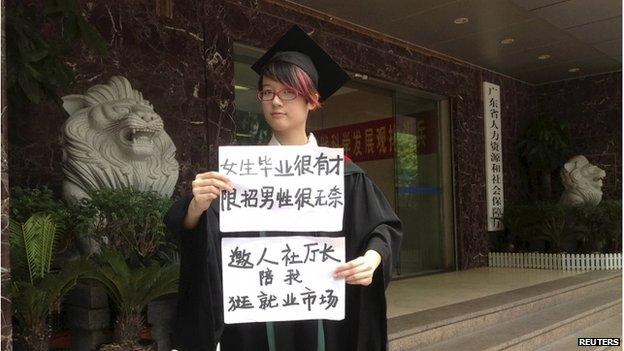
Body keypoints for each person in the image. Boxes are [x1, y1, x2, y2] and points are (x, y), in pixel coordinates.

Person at [164, 25, 402, 351]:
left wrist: (373, 259)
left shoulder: (342, 174)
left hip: (325, 323)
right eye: (267, 91)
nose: (275, 101)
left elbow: (383, 228)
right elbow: (197, 236)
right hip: (256, 326)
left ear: (312, 100)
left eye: (288, 92)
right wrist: (196, 208)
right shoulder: (240, 177)